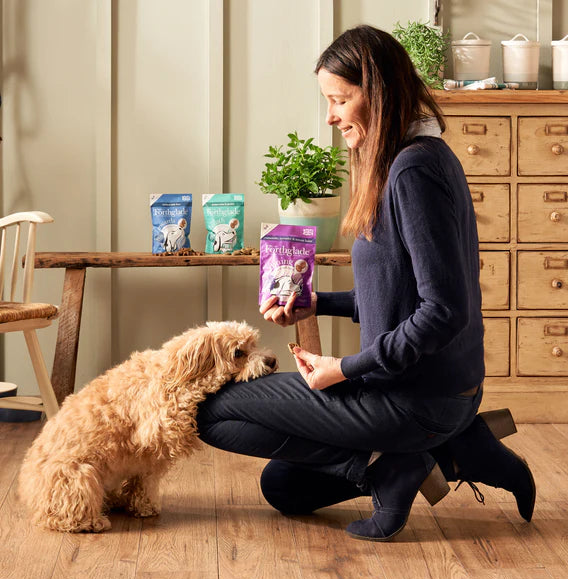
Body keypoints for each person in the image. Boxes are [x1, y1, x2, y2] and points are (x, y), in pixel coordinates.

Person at [196, 24, 535, 542]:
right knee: (284, 488)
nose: (331, 116)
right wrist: (313, 302)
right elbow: (400, 296)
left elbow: (443, 312)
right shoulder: (417, 160)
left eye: (340, 100)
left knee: (212, 412)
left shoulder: (412, 172)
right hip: (438, 396)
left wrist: (343, 368)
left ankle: (397, 465)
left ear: (376, 92)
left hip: (413, 399)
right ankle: (451, 448)